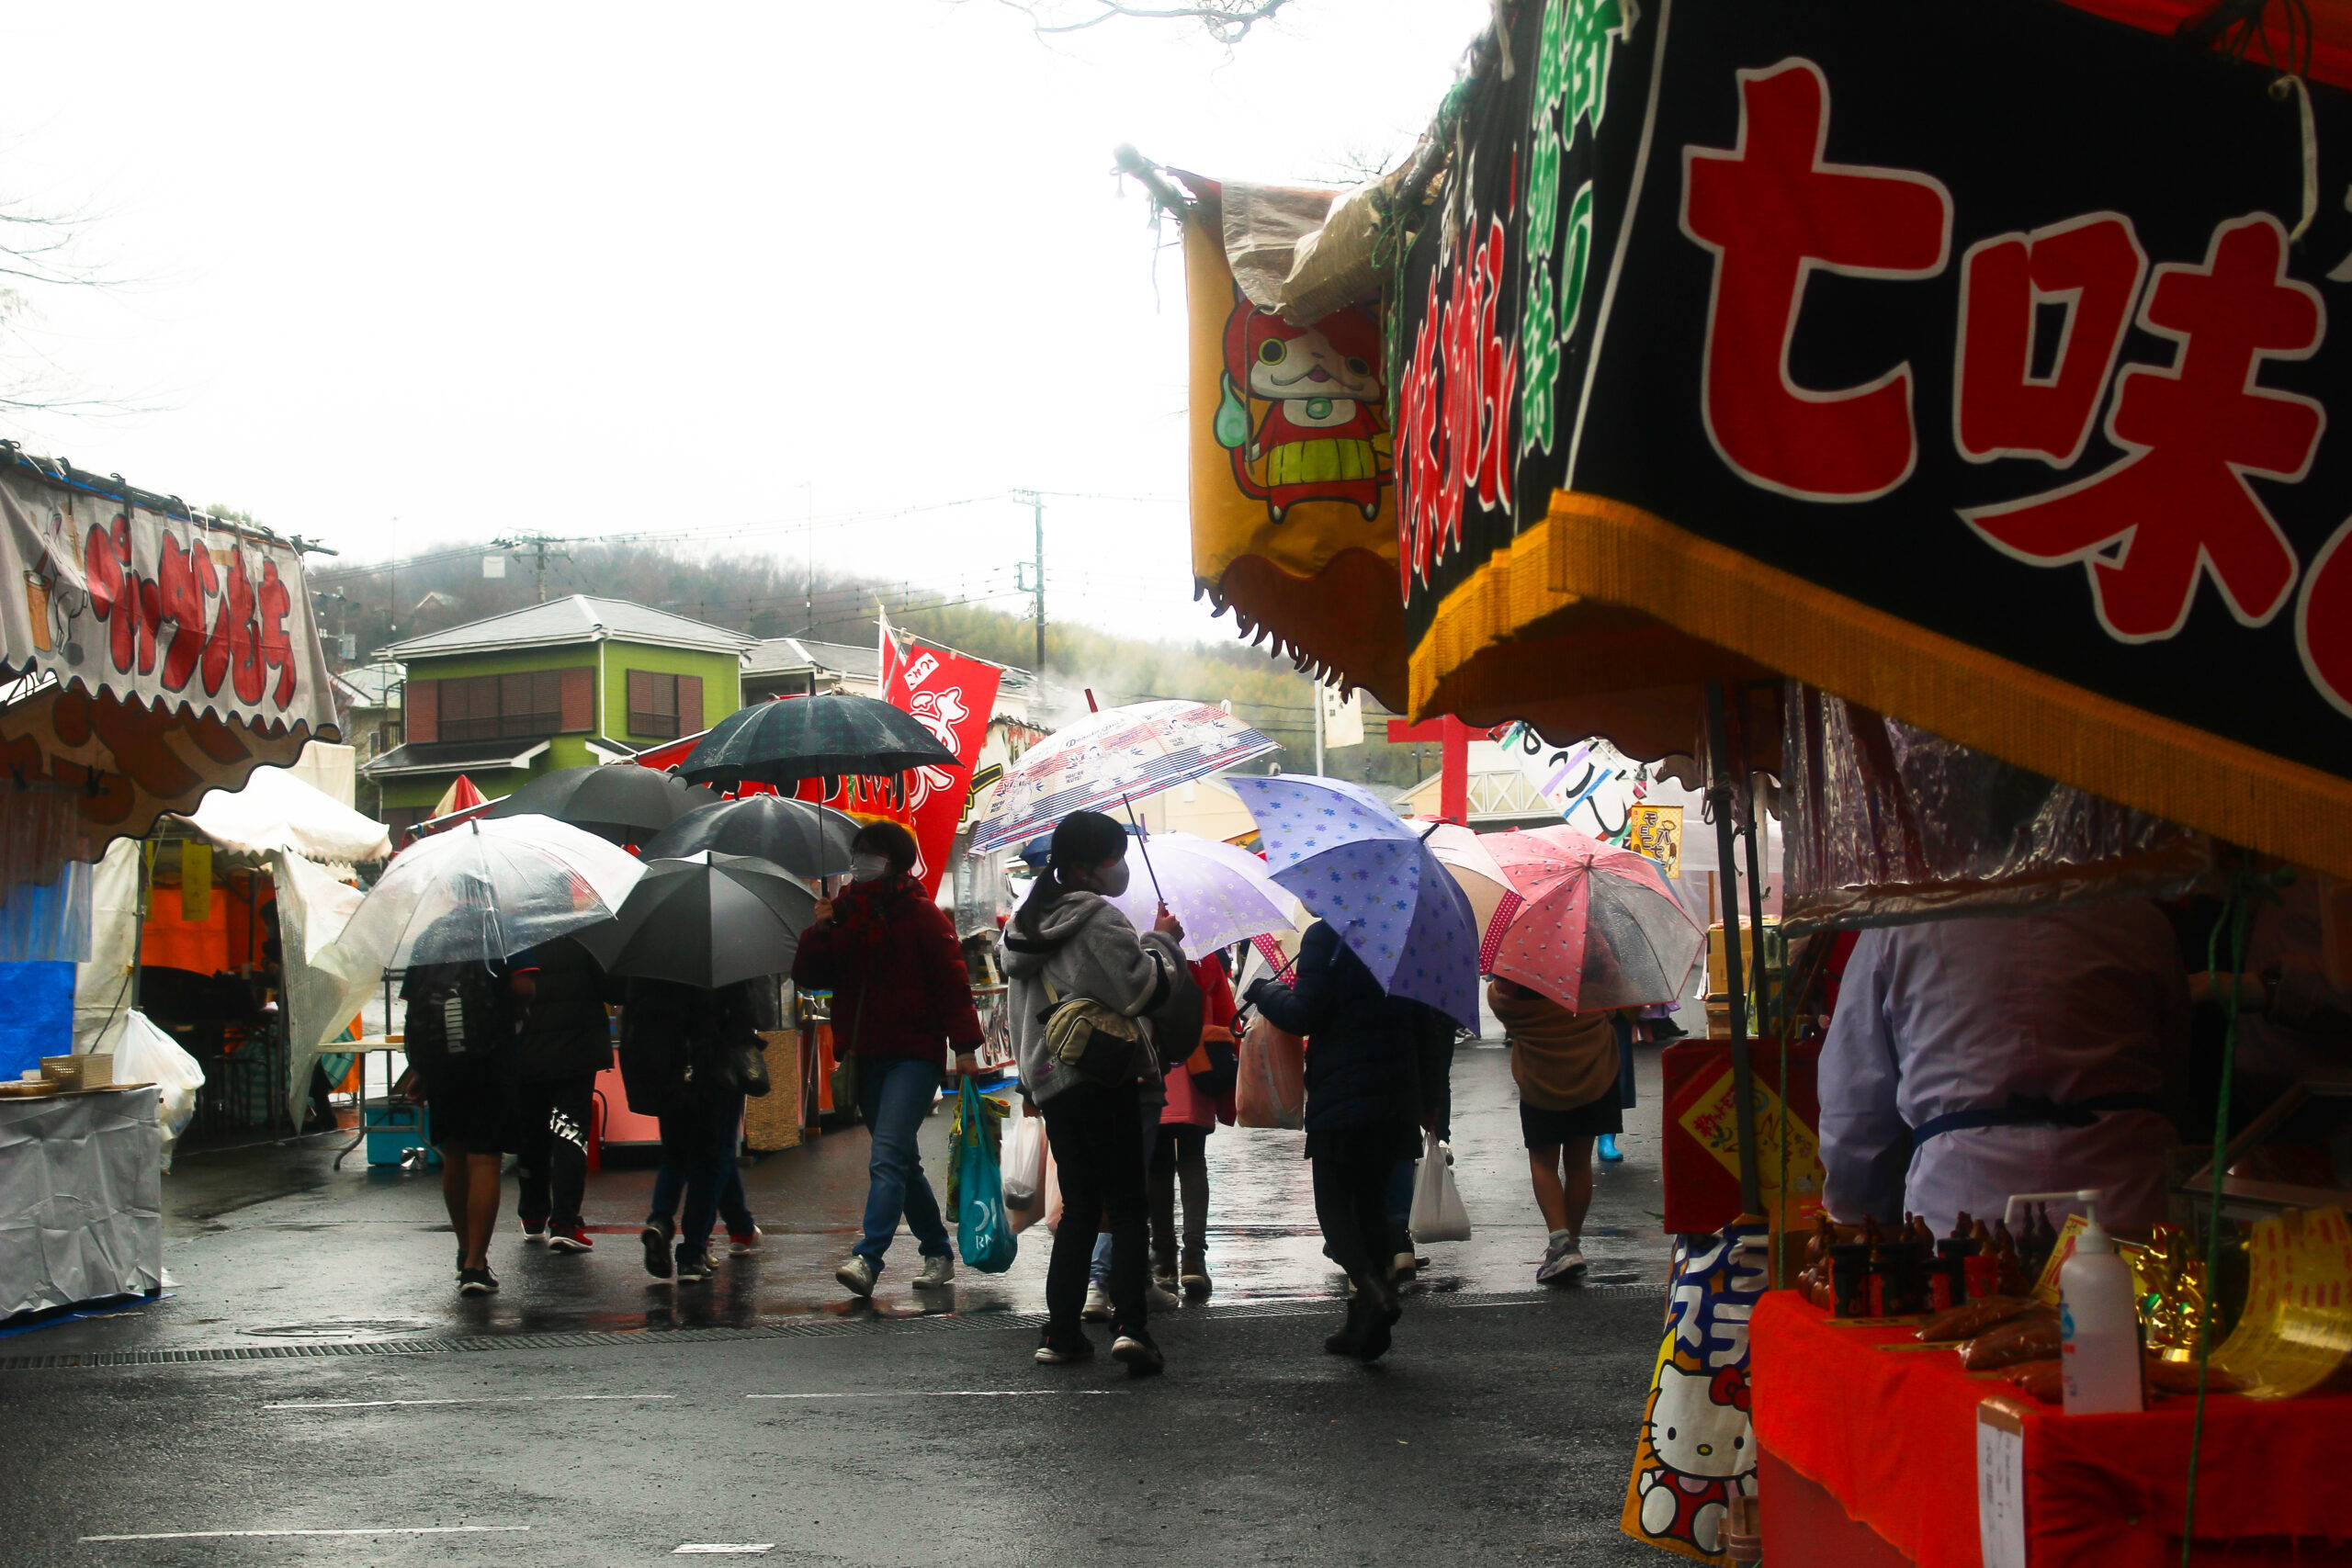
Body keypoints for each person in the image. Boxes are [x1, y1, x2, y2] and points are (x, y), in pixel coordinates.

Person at [1818, 901, 2190, 1235]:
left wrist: (1858, 1214)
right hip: (2125, 1205)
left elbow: (1854, 1103)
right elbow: (2175, 1075)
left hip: (1965, 1211)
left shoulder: (1900, 921)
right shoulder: (2139, 917)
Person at [1001, 810, 1185, 1374]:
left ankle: (1060, 1333)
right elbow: (1141, 992)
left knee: (1080, 1207)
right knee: (1128, 1206)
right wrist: (1162, 942)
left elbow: (1018, 1013)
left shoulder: (1025, 924)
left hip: (1054, 1084)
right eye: (1114, 855)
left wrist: (1031, 1081)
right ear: (1087, 865)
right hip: (1104, 1075)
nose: (1121, 866)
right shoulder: (1099, 919)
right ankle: (1132, 1327)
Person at [1247, 917, 1453, 1361]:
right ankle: (1366, 1326)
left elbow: (1306, 1014)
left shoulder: (1326, 936)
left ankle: (1373, 1290)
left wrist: (1265, 992)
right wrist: (1432, 1096)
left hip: (1342, 1093)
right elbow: (1425, 1024)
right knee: (1374, 1206)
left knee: (1335, 1206)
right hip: (1397, 1093)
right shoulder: (1403, 932)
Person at [793, 821, 984, 1300]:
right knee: (902, 1160)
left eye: (870, 854)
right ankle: (937, 1250)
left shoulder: (922, 916)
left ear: (895, 861)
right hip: (863, 1054)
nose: (861, 863)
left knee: (887, 1156)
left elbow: (952, 984)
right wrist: (820, 929)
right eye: (857, 854)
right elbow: (810, 976)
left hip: (913, 1056)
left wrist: (964, 1048)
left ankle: (868, 1256)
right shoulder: (842, 914)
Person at [399, 896, 526, 1297]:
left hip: (442, 1064)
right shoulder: (504, 931)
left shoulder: (431, 936)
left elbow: (416, 1004)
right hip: (490, 1059)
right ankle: (476, 1265)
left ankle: (464, 1249)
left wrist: (421, 1066)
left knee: (454, 1154)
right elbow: (524, 985)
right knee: (485, 1157)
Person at [619, 975, 769, 1283]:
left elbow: (634, 1016)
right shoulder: (722, 957)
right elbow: (752, 1014)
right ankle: (692, 1253)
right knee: (711, 1161)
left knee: (675, 1155)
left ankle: (661, 1221)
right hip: (714, 1069)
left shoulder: (652, 962)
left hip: (667, 1072)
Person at [1489, 976, 1623, 1285]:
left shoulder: (1515, 972)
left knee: (1543, 1161)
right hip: (1592, 1072)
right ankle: (1571, 1246)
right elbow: (1614, 1003)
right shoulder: (1590, 960)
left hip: (1541, 1077)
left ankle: (1560, 1244)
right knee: (1579, 1163)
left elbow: (1499, 1002)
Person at [512, 935, 612, 1254]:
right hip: (575, 1054)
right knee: (569, 1134)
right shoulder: (586, 939)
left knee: (531, 1136)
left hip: (526, 1053)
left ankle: (532, 1213)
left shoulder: (514, 939)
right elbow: (613, 991)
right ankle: (565, 1222)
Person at [1152, 952, 1238, 1298]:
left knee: (1156, 1165)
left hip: (1153, 1065)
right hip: (1195, 1065)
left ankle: (1163, 1259)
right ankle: (1193, 1260)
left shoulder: (1140, 950)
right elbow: (1227, 1016)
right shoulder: (1203, 957)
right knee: (1192, 1160)